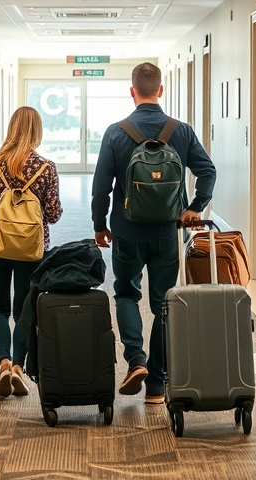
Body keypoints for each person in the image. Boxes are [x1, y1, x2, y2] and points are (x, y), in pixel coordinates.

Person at [91, 62, 216, 405]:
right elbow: (207, 171)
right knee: (163, 303)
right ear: (160, 90)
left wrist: (99, 224)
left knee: (127, 294)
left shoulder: (116, 132)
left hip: (127, 230)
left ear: (132, 91)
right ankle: (158, 386)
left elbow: (101, 187)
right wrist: (195, 207)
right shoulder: (182, 131)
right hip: (167, 231)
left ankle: (136, 361)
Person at [0, 106, 62, 398]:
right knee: (25, 310)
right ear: (37, 131)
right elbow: (53, 214)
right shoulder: (46, 167)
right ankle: (18, 368)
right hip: (33, 249)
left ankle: (1, 363)